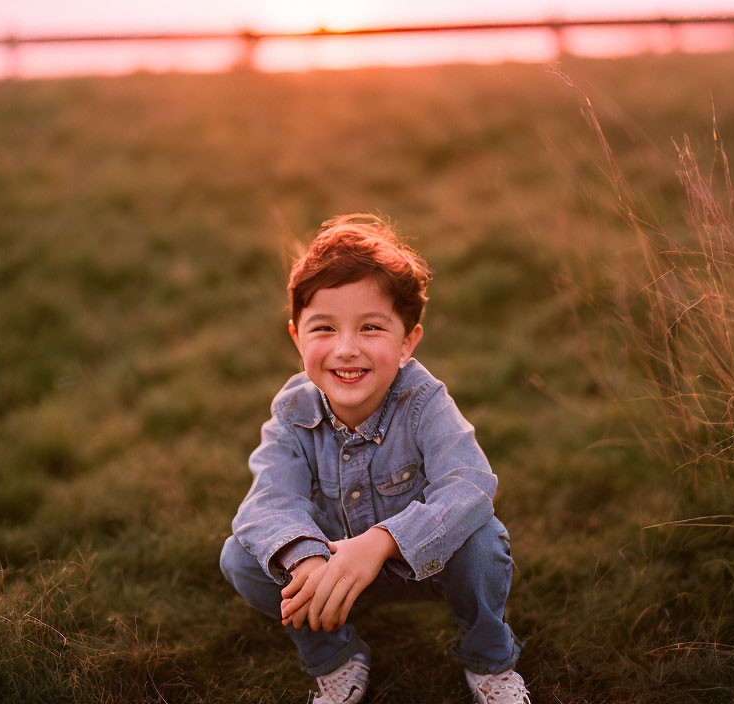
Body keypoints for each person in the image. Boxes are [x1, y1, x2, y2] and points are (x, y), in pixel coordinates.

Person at [219, 214, 529, 704]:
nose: (346, 349)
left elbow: (470, 483)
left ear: (408, 341)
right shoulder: (291, 412)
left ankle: (488, 659)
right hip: (331, 571)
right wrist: (305, 560)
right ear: (297, 336)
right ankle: (338, 656)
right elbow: (265, 502)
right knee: (241, 556)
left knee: (483, 539)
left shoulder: (424, 402)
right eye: (324, 328)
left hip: (424, 564)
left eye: (371, 327)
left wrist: (383, 542)